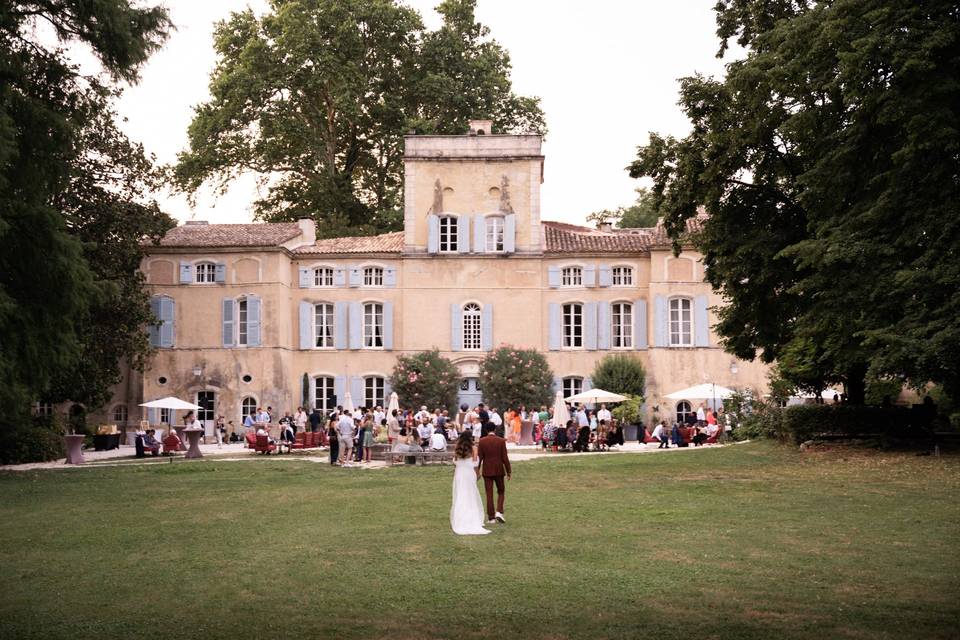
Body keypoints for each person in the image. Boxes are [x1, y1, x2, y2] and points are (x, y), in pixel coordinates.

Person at [450, 432, 490, 536]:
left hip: (459, 473)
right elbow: (475, 464)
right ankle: (472, 518)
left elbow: (455, 462)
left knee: (461, 495)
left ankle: (460, 518)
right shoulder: (474, 448)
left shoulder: (457, 447)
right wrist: (478, 474)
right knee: (470, 495)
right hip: (469, 473)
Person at [477, 423, 511, 524]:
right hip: (499, 469)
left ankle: (491, 518)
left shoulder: (482, 441)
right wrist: (509, 471)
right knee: (501, 491)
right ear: (495, 429)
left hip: (487, 470)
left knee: (489, 494)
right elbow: (505, 458)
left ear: (486, 430)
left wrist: (477, 471)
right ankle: (499, 511)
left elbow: (479, 458)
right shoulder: (501, 441)